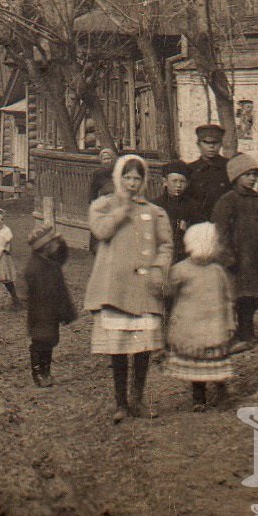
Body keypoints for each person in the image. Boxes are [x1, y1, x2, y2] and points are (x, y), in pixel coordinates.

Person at [84, 155, 173, 423]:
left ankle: (138, 397)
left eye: (137, 178)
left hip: (144, 289)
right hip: (115, 290)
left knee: (143, 347)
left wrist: (159, 268)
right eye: (127, 177)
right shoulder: (103, 205)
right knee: (119, 348)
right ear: (118, 178)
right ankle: (120, 402)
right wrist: (120, 211)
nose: (132, 183)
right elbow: (100, 231)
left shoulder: (155, 212)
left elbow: (166, 244)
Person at [165, 223, 236, 411]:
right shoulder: (181, 270)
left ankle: (222, 391)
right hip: (191, 328)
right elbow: (168, 290)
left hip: (214, 327)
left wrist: (229, 320)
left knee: (216, 362)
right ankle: (199, 398)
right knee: (197, 366)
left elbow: (228, 298)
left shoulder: (218, 271)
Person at [210, 153, 258, 350]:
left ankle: (248, 332)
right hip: (235, 261)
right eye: (247, 174)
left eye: (254, 174)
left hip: (253, 258)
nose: (252, 178)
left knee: (250, 299)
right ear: (236, 177)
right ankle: (232, 335)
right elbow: (219, 232)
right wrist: (227, 257)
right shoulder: (227, 200)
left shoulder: (257, 201)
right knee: (235, 298)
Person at [22, 223, 75, 387]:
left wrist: (62, 242)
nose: (56, 246)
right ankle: (38, 372)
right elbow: (29, 290)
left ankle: (46, 370)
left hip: (50, 311)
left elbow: (62, 256)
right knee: (40, 342)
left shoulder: (50, 261)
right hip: (40, 313)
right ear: (44, 247)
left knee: (50, 340)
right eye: (53, 244)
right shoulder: (35, 267)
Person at [184, 124, 231, 224]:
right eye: (206, 142)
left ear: (221, 144)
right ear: (198, 144)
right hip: (198, 225)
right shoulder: (190, 170)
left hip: (224, 224)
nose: (211, 146)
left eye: (215, 142)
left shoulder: (229, 167)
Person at [156, 161, 197, 261]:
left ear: (187, 184)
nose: (178, 185)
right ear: (165, 182)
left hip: (184, 255)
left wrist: (188, 227)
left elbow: (199, 229)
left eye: (182, 181)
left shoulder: (192, 206)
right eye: (174, 181)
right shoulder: (156, 205)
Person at [86, 147, 118, 254]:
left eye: (109, 158)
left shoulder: (120, 173)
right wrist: (94, 206)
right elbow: (92, 192)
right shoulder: (98, 174)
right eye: (104, 159)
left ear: (113, 159)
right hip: (103, 208)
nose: (106, 161)